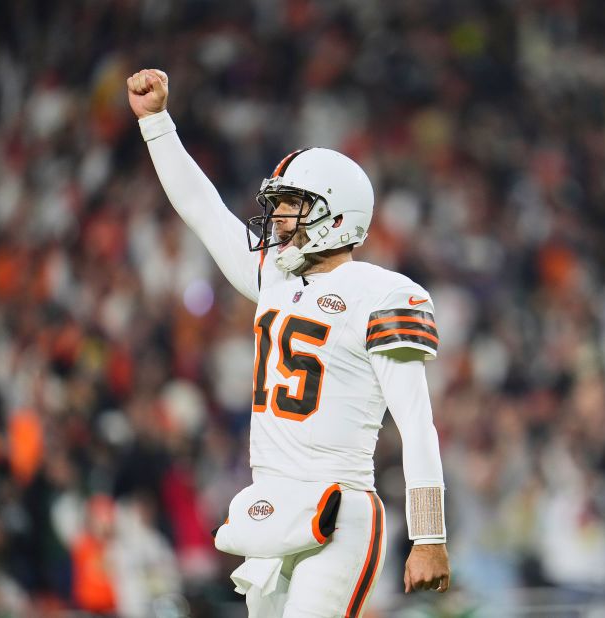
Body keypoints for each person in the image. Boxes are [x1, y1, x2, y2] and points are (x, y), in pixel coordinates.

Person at [127, 68, 450, 617]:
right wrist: (156, 122)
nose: (276, 216)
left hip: (339, 508)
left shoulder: (378, 293)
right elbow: (203, 210)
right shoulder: (274, 278)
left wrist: (429, 533)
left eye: (293, 203)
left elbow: (416, 421)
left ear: (335, 214)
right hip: (271, 504)